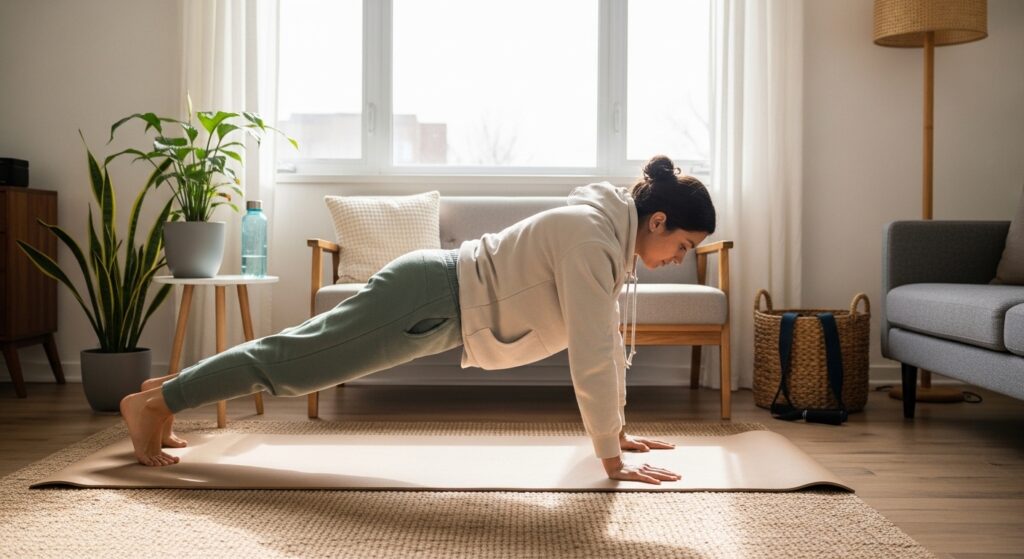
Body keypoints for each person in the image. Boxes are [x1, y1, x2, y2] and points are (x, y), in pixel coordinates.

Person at [120, 154, 717, 485]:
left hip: (435, 300)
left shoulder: (606, 241)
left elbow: (605, 341)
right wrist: (610, 458)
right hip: (427, 299)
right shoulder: (593, 240)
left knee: (294, 356)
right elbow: (590, 350)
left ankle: (162, 394)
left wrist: (615, 431)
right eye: (684, 247)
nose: (675, 261)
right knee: (293, 366)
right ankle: (156, 404)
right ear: (658, 220)